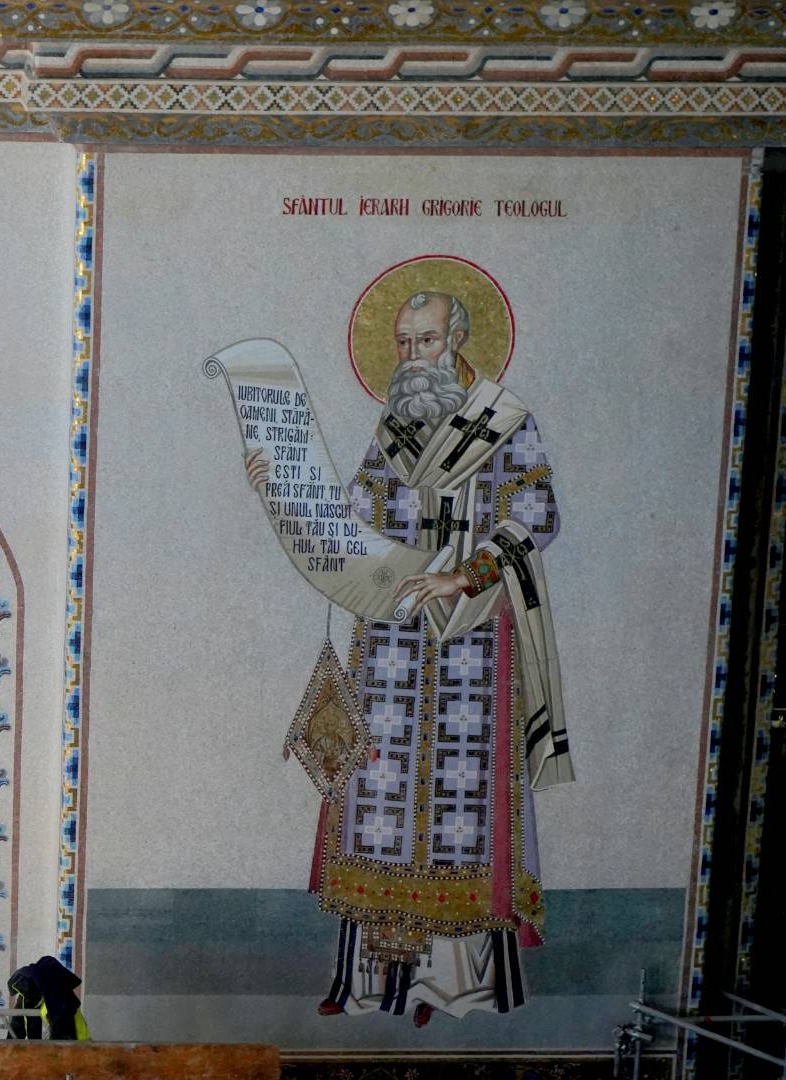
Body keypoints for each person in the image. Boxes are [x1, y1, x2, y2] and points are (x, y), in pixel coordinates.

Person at [248, 290, 570, 1026]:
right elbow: (351, 519)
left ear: (458, 339)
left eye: (425, 340)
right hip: (390, 644)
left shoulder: (505, 423)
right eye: (402, 342)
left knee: (459, 814)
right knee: (377, 804)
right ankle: (371, 984)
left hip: (471, 642)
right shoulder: (391, 430)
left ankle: (450, 987)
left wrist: (464, 574)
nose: (412, 356)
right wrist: (283, 493)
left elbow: (538, 514)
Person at [6, 954, 89, 1040]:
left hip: (79, 1043)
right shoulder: (26, 999)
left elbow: (63, 1035)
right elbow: (16, 1029)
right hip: (61, 1044)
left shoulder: (59, 999)